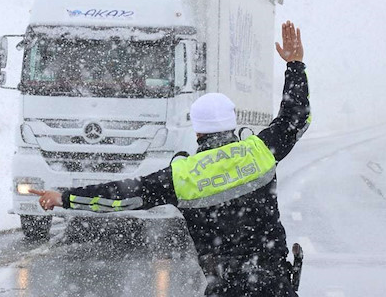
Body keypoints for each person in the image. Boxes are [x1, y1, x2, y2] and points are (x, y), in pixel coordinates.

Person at [30, 21, 310, 296]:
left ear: (198, 133)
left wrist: (64, 197)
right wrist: (295, 65)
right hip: (274, 286)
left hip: (226, 287)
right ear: (232, 125)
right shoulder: (260, 151)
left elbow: (119, 195)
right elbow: (295, 117)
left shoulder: (182, 176)